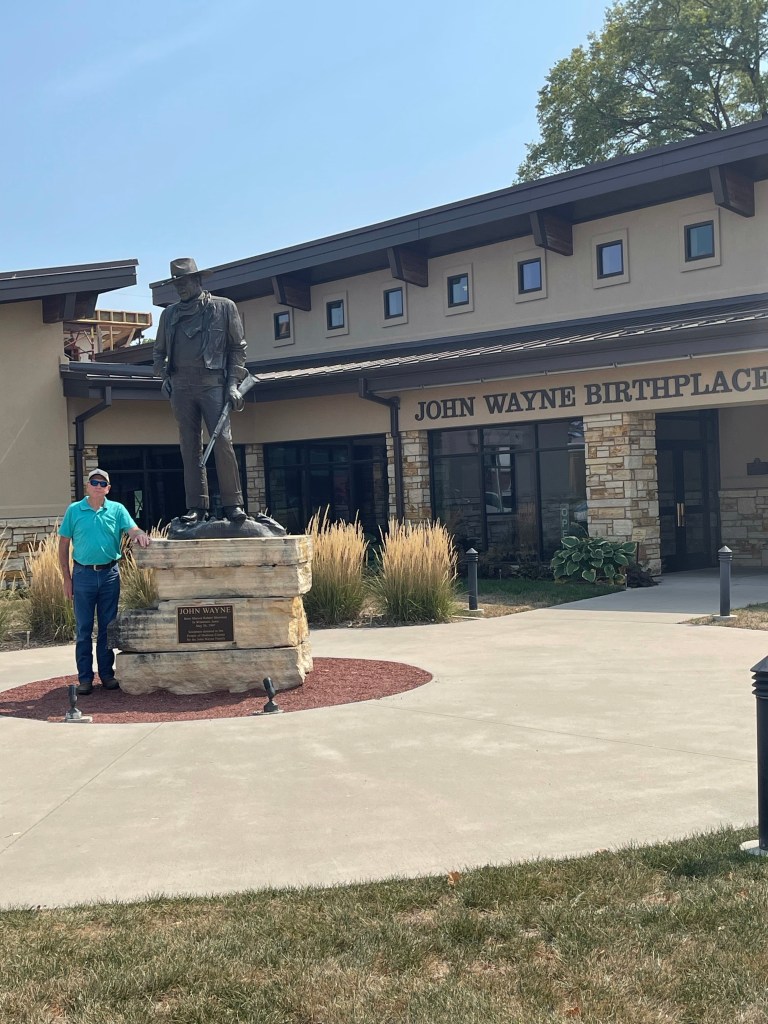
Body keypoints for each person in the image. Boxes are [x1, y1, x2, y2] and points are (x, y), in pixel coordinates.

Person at [153, 256, 248, 525]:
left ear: (197, 280)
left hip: (213, 384)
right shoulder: (169, 315)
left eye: (184, 282)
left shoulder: (224, 307)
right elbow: (158, 353)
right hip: (181, 386)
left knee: (223, 441)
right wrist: (164, 376)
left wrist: (233, 384)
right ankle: (196, 506)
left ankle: (233, 504)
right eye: (176, 284)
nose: (180, 288)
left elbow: (238, 348)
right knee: (189, 446)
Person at [58, 469, 151, 695]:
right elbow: (63, 545)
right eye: (94, 482)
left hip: (110, 575)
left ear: (108, 488)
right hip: (83, 575)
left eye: (102, 483)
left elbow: (132, 529)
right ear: (87, 486)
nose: (98, 486)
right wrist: (67, 579)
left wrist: (140, 534)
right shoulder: (74, 510)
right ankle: (85, 679)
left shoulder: (117, 509)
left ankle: (107, 675)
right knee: (83, 629)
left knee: (107, 628)